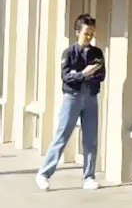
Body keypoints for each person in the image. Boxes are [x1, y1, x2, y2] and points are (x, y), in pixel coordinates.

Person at [35, 14, 105, 191]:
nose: (89, 37)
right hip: (72, 98)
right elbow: (66, 77)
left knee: (90, 139)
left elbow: (101, 75)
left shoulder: (97, 53)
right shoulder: (69, 53)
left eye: (92, 34)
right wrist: (84, 74)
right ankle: (44, 174)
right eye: (86, 33)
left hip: (91, 98)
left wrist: (79, 75)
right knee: (62, 135)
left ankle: (89, 177)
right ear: (77, 32)